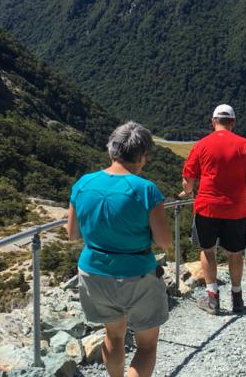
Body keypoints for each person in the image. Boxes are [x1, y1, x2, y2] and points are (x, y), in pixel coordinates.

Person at [66, 121, 172, 377]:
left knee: (113, 337)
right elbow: (164, 241)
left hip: (93, 272)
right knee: (146, 346)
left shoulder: (83, 184)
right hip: (137, 275)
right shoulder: (146, 190)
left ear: (112, 150)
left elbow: (72, 234)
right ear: (142, 155)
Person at [179, 104, 246, 315]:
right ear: (232, 122)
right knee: (235, 254)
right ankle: (237, 297)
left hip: (207, 207)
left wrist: (188, 192)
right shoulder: (245, 145)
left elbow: (188, 180)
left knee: (207, 251)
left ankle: (213, 299)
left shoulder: (200, 145)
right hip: (236, 209)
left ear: (213, 121)